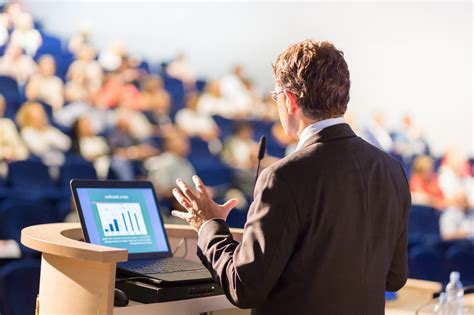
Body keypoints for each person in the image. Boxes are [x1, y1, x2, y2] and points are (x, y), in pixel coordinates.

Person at [171, 40, 410, 314]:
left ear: (290, 99)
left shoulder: (284, 177)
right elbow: (394, 277)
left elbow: (244, 286)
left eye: (275, 97)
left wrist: (208, 225)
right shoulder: (391, 170)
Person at [16, 101, 71, 168]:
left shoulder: (50, 129)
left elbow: (67, 144)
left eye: (42, 114)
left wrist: (49, 139)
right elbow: (38, 149)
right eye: (38, 115)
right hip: (38, 166)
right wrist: (51, 141)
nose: (41, 117)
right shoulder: (27, 131)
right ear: (29, 117)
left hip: (59, 163)